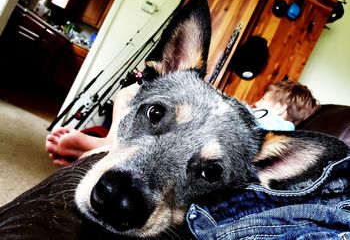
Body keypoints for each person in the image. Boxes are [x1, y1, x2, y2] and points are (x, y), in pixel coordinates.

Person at [45, 80, 319, 166]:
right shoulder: (288, 140)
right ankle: (109, 143)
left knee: (132, 90)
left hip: (193, 141)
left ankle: (109, 142)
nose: (257, 102)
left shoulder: (264, 123)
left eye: (263, 99)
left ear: (281, 106)